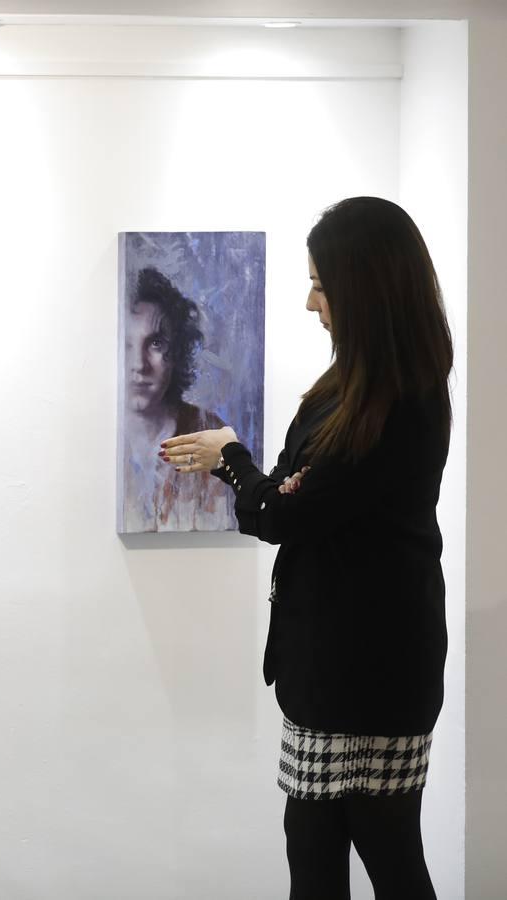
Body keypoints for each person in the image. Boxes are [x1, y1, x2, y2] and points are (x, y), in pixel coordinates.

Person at [162, 197, 452, 898]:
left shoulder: (393, 402)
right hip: (345, 665)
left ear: (363, 288)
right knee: (318, 848)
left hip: (368, 673)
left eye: (320, 283)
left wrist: (233, 456)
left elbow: (280, 512)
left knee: (380, 851)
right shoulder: (365, 387)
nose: (308, 301)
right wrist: (267, 480)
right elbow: (290, 495)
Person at [122, 265, 234, 532]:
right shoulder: (94, 441)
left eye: (155, 343)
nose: (139, 364)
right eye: (126, 345)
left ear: (179, 351)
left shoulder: (209, 433)